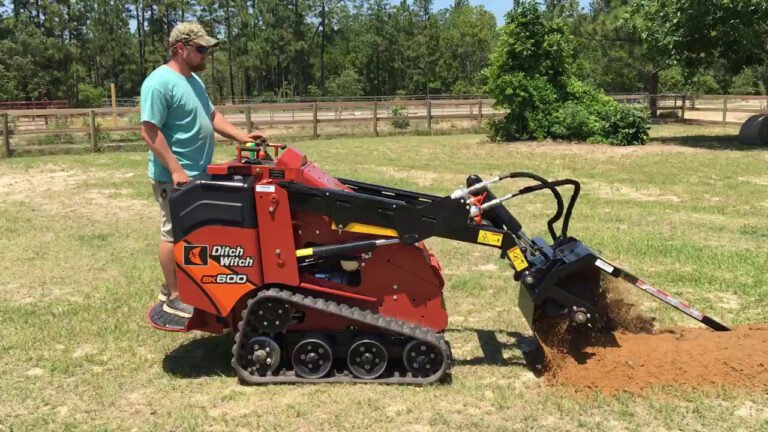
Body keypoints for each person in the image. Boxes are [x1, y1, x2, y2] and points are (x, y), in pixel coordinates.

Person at [140, 21, 267, 330]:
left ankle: (191, 283)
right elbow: (149, 130)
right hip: (175, 176)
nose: (206, 54)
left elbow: (212, 116)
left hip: (196, 172)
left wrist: (243, 139)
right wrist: (175, 168)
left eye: (207, 49)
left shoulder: (193, 80)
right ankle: (174, 294)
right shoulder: (159, 82)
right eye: (200, 49)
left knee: (195, 235)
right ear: (180, 49)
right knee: (173, 232)